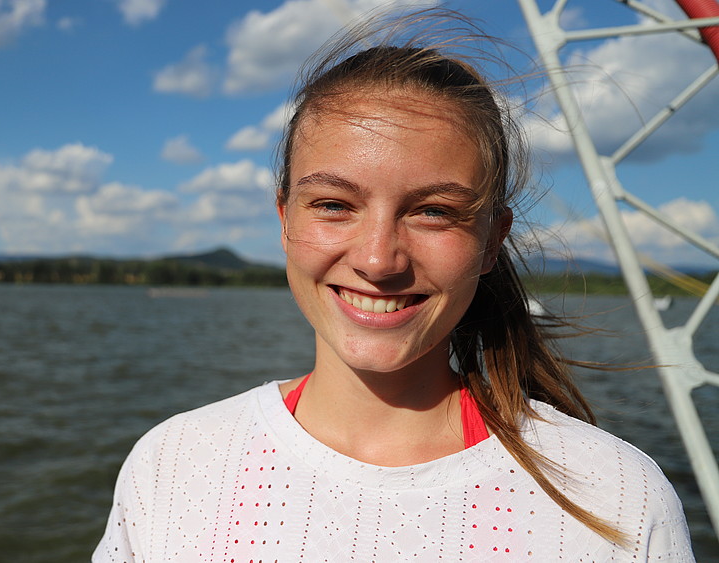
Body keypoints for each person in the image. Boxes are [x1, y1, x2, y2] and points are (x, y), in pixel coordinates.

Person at [94, 8, 694, 561]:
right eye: (334, 205)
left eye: (433, 211)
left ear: (492, 241)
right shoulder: (172, 466)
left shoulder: (616, 499)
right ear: (284, 220)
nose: (379, 260)